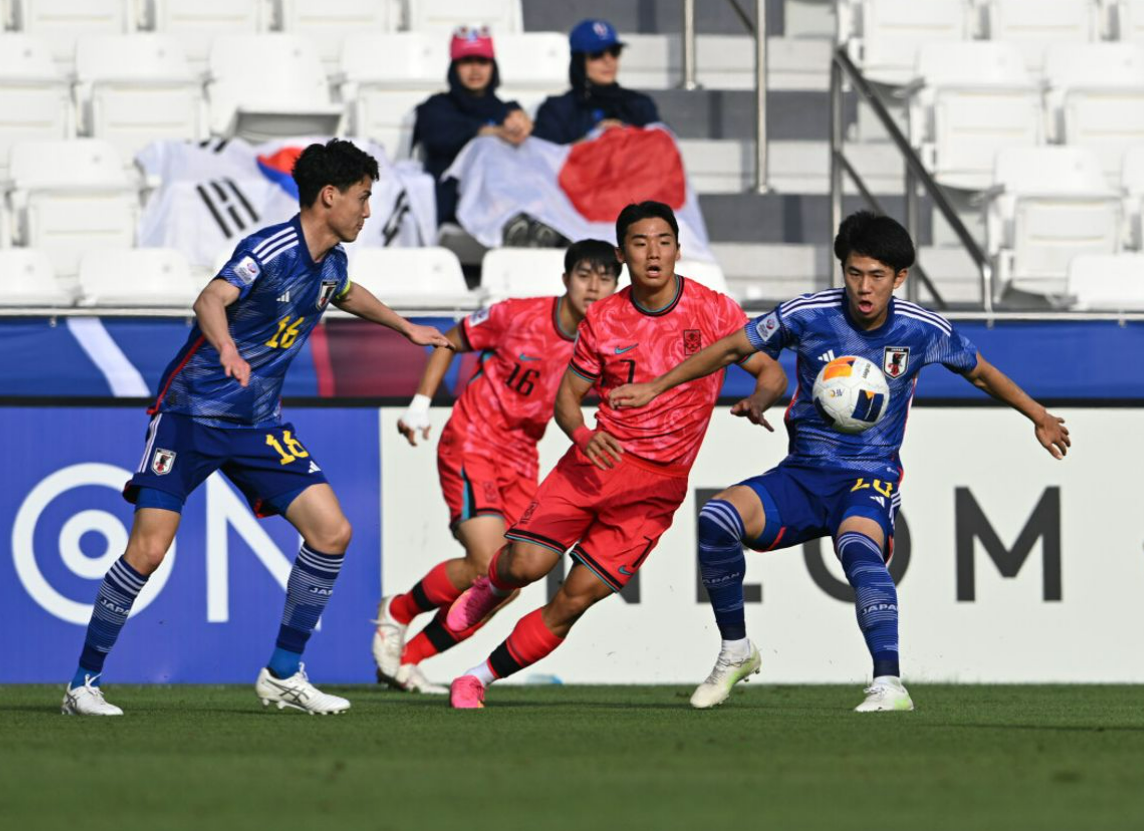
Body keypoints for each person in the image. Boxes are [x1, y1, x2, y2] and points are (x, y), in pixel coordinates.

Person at [609, 210, 1071, 712]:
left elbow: (979, 373)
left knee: (857, 547)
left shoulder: (921, 329)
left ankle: (889, 684)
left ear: (900, 278)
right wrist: (655, 386)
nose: (864, 287)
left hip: (868, 477)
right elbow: (731, 348)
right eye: (854, 273)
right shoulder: (808, 314)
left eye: (877, 276)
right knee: (716, 518)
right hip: (802, 475)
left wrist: (1038, 415)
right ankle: (735, 650)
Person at [60, 139, 451, 716]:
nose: (368, 211)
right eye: (363, 198)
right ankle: (82, 685)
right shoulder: (268, 248)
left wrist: (404, 326)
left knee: (332, 532)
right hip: (190, 416)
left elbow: (343, 293)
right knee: (147, 550)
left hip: (256, 423)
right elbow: (210, 298)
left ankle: (284, 672)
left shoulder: (333, 261)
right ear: (329, 196)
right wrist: (226, 350)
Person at [441, 201, 788, 708]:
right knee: (525, 565)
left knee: (573, 599)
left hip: (656, 490)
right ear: (624, 254)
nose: (654, 253)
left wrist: (760, 397)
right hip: (593, 466)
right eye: (641, 243)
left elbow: (771, 371)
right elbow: (566, 399)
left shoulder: (714, 310)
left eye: (664, 241)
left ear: (677, 248)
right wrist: (581, 435)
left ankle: (476, 677)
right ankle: (492, 584)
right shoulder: (604, 318)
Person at [372, 240, 621, 693]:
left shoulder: (604, 346)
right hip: (474, 441)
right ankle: (399, 612)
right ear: (566, 280)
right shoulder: (517, 315)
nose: (594, 286)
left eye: (606, 278)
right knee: (488, 561)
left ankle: (409, 659)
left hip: (524, 457)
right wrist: (421, 403)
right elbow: (452, 338)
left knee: (511, 577)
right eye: (585, 275)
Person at [413, 25, 533, 226]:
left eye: (483, 61)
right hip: (451, 206)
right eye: (467, 61)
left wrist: (525, 127)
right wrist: (493, 132)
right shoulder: (435, 107)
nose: (476, 69)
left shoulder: (509, 111)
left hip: (506, 200)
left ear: (493, 66)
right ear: (454, 67)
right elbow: (439, 137)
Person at [532, 19, 661, 146]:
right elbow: (543, 160)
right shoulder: (556, 110)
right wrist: (591, 142)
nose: (608, 60)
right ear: (579, 61)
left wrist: (628, 136)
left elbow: (663, 152)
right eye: (597, 54)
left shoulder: (640, 105)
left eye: (614, 51)